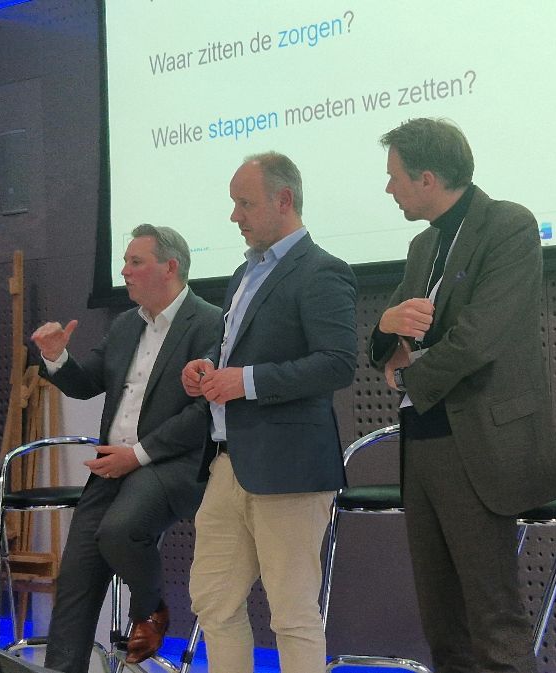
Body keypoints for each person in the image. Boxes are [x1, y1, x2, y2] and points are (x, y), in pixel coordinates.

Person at [368, 118, 556, 673]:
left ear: (427, 179)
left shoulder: (507, 225)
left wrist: (409, 376)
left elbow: (481, 338)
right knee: (441, 624)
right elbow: (389, 332)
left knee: (493, 618)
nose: (388, 188)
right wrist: (385, 331)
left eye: (395, 177)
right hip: (423, 442)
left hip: (477, 442)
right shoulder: (423, 244)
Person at [181, 152, 358, 673]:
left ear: (284, 200)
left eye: (245, 203)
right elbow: (235, 352)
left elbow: (337, 363)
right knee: (212, 600)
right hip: (227, 461)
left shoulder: (322, 271)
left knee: (292, 612)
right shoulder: (244, 272)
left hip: (290, 467)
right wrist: (207, 368)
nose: (234, 216)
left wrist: (246, 382)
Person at [32, 224, 221, 671]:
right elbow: (86, 383)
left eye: (136, 262)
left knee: (118, 530)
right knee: (76, 578)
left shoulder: (210, 322)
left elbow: (204, 413)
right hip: (111, 465)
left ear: (170, 267)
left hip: (169, 465)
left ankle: (151, 609)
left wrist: (136, 455)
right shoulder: (125, 325)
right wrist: (56, 357)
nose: (124, 272)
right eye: (125, 262)